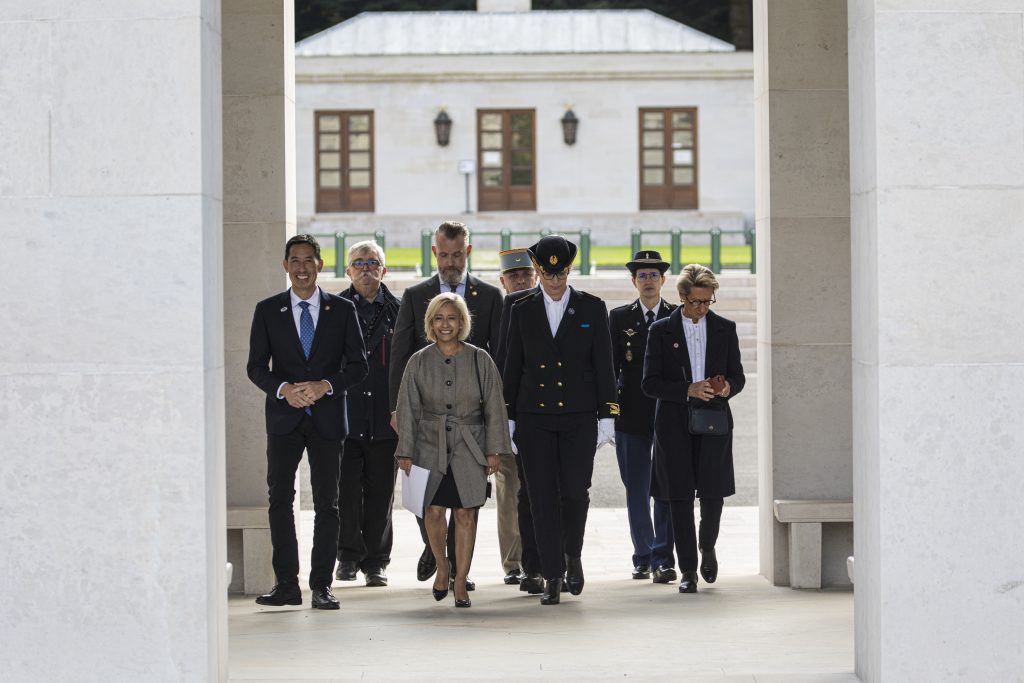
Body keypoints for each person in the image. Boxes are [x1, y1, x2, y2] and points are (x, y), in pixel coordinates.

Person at [246, 234, 368, 610]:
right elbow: (255, 367)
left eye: (308, 260)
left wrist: (324, 385)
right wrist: (283, 389)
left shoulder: (342, 310)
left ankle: (321, 586)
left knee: (328, 504)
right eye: (295, 261)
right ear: (286, 266)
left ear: (320, 265)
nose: (302, 268)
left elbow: (359, 366)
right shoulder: (268, 310)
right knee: (280, 500)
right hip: (284, 419)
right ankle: (286, 584)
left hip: (327, 419)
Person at [502, 235, 618, 605]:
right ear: (537, 270)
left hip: (578, 416)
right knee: (540, 497)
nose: (555, 281)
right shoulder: (520, 308)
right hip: (534, 417)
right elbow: (512, 366)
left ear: (569, 271)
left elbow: (604, 365)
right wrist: (508, 417)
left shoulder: (591, 307)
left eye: (562, 273)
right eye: (548, 274)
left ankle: (573, 556)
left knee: (574, 492)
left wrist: (608, 415)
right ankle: (552, 575)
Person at [388, 221, 502, 587]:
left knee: (466, 501)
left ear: (467, 252)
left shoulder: (490, 296)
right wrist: (397, 410)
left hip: (470, 424)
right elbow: (400, 356)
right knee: (428, 500)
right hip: (427, 422)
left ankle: (456, 571)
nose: (450, 262)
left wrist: (497, 427)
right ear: (434, 252)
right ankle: (437, 554)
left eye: (457, 255)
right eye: (444, 255)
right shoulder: (414, 295)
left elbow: (498, 359)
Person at [394, 293, 512, 608]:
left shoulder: (480, 359)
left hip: (470, 446)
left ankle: (461, 580)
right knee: (433, 511)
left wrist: (494, 449)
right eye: (438, 318)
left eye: (452, 318)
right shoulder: (418, 361)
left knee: (465, 513)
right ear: (430, 323)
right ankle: (442, 566)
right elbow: (407, 407)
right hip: (427, 446)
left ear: (462, 323)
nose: (445, 324)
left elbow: (495, 406)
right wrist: (405, 450)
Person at [641, 264, 745, 594]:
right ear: (683, 297)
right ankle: (687, 569)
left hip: (714, 421)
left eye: (708, 301)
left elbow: (738, 376)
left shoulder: (725, 329)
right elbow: (649, 383)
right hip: (674, 424)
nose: (702, 307)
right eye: (696, 301)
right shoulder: (660, 330)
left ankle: (707, 546)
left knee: (713, 493)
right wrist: (688, 389)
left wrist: (727, 387)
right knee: (679, 496)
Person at [334, 241, 401, 587]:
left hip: (386, 418)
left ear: (383, 270)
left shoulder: (400, 311)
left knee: (381, 492)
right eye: (358, 263)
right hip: (346, 415)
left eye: (372, 263)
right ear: (348, 271)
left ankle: (376, 561)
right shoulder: (334, 310)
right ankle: (347, 557)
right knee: (345, 491)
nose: (365, 269)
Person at [608, 250, 677, 583]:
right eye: (642, 276)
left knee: (666, 487)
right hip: (631, 415)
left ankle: (663, 556)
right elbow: (610, 370)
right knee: (636, 488)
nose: (648, 281)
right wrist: (607, 415)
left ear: (663, 280)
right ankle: (643, 555)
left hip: (668, 414)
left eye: (653, 275)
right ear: (634, 281)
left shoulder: (677, 316)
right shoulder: (619, 318)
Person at [491, 248, 538, 587]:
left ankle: (542, 555)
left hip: (540, 413)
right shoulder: (498, 312)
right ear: (503, 281)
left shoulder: (546, 311)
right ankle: (513, 562)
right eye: (513, 276)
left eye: (526, 275)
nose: (520, 281)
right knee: (509, 489)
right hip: (503, 413)